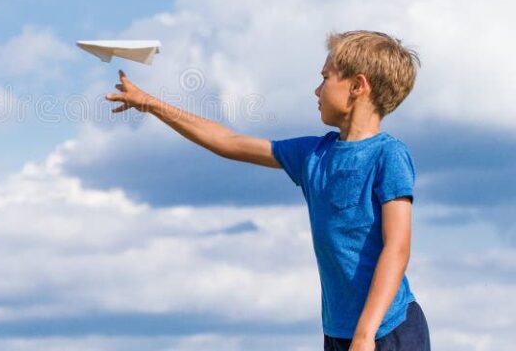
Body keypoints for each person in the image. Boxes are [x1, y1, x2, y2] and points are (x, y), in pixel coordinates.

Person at [105, 30, 431, 351]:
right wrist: (149, 103)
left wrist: (365, 333)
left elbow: (397, 247)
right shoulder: (313, 154)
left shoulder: (388, 155)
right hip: (339, 332)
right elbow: (228, 142)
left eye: (325, 78)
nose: (316, 90)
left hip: (389, 329)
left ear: (358, 86)